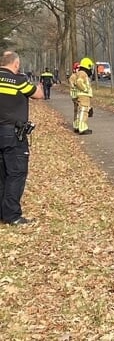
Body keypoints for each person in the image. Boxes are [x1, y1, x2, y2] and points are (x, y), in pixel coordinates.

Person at [0, 50, 44, 225]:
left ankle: (2, 213)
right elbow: (38, 95)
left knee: (1, 174)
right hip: (13, 134)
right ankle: (12, 215)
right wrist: (39, 86)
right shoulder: (18, 80)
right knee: (16, 173)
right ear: (16, 64)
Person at [70, 58, 94, 135]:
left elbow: (72, 82)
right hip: (84, 95)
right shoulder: (83, 74)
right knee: (84, 111)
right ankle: (82, 128)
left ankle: (77, 126)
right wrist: (85, 89)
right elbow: (79, 82)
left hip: (78, 95)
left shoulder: (77, 74)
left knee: (77, 111)